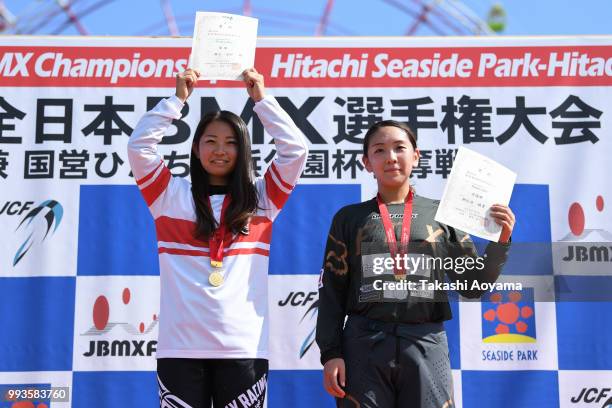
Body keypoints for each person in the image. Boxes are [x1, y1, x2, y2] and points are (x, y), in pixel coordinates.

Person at [127, 67, 308, 408]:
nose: (220, 150)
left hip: (244, 349)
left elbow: (295, 151)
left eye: (230, 143)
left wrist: (261, 100)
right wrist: (177, 100)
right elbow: (139, 148)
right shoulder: (169, 196)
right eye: (211, 141)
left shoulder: (262, 200)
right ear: (196, 149)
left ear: (242, 151)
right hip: (180, 349)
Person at [316, 120, 515, 408]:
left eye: (399, 148)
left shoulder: (443, 214)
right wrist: (331, 353)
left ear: (416, 156)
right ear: (366, 162)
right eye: (379, 150)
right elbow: (332, 291)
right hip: (363, 346)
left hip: (426, 343)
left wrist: (502, 240)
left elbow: (473, 286)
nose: (391, 157)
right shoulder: (348, 218)